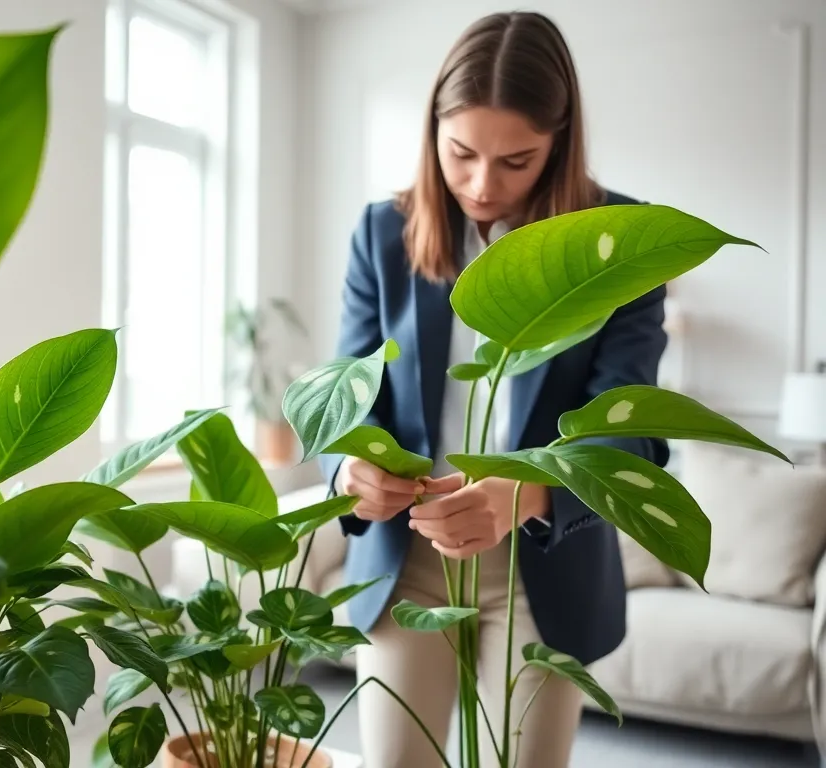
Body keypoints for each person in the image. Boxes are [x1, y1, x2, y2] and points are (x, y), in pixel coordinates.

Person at [317, 11, 668, 768]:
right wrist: (347, 472)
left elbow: (631, 430)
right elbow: (339, 402)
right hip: (404, 552)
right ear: (431, 132)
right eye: (461, 153)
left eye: (517, 160)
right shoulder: (383, 233)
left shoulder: (617, 243)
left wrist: (528, 494)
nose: (482, 185)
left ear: (560, 141)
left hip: (547, 563)